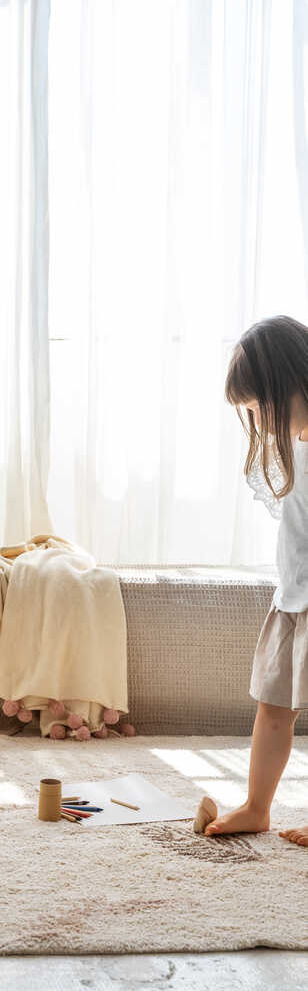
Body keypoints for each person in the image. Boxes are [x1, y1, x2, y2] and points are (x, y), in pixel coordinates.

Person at [202, 316, 308, 845]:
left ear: (285, 386)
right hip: (292, 601)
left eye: (254, 407)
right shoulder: (292, 447)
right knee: (272, 709)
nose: (255, 421)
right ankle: (256, 806)